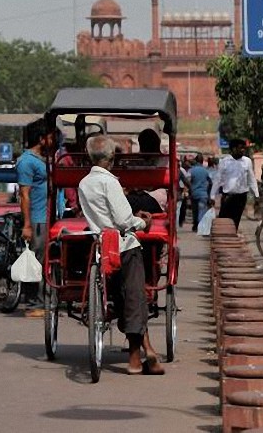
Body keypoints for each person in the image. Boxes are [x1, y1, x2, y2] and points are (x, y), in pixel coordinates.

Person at [78, 135, 165, 375]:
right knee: (135, 296)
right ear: (112, 158)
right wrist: (144, 223)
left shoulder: (84, 183)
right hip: (123, 245)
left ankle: (147, 350)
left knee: (123, 297)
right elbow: (124, 220)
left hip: (100, 246)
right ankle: (136, 358)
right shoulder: (110, 183)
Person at [16, 118, 50, 314]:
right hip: (37, 219)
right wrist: (27, 225)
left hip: (47, 217)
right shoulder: (27, 162)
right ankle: (32, 304)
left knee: (44, 261)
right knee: (35, 261)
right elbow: (24, 194)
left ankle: (42, 299)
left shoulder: (42, 160)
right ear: (41, 138)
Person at [211, 138, 259, 230]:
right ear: (233, 149)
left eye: (244, 148)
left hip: (241, 197)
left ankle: (233, 236)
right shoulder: (224, 162)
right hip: (227, 197)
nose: (243, 150)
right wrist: (212, 196)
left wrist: (256, 194)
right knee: (224, 220)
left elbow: (251, 178)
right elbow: (217, 180)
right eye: (240, 148)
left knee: (235, 221)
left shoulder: (247, 161)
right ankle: (223, 240)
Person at [187, 154, 211, 231]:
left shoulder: (191, 170)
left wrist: (190, 190)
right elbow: (210, 182)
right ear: (202, 161)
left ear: (196, 161)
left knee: (195, 210)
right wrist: (209, 192)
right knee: (202, 210)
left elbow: (188, 181)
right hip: (203, 194)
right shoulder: (206, 171)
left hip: (194, 193)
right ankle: (200, 226)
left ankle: (195, 225)